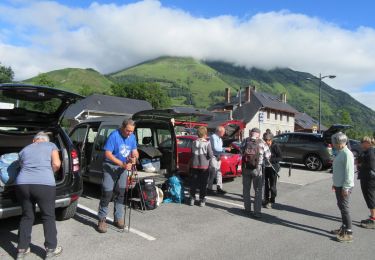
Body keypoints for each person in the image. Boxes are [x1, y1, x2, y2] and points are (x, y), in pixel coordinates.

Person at [15, 132, 62, 259]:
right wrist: (48, 172)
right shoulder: (50, 145)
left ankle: (21, 249)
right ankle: (51, 249)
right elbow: (57, 164)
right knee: (48, 216)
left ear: (34, 140)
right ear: (45, 140)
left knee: (27, 216)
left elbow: (21, 166)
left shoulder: (25, 149)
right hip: (44, 184)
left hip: (22, 184)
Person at [97, 119, 138, 233]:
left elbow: (135, 151)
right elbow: (107, 154)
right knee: (107, 192)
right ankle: (102, 219)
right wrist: (122, 164)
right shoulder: (114, 135)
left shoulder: (132, 137)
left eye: (131, 131)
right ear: (122, 127)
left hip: (123, 168)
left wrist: (134, 157)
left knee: (121, 192)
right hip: (110, 166)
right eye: (127, 130)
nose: (129, 133)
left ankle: (118, 218)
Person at [241, 128, 271, 218]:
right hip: (257, 169)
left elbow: (240, 151)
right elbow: (268, 155)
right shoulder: (262, 142)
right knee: (258, 190)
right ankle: (257, 212)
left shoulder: (245, 140)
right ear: (258, 134)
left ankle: (247, 209)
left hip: (246, 168)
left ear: (251, 133)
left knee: (246, 189)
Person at [330, 132, 355, 242]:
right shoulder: (341, 152)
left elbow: (349, 172)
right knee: (341, 206)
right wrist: (335, 183)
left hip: (344, 186)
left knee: (344, 208)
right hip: (339, 185)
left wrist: (346, 188)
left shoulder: (347, 154)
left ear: (340, 143)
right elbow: (339, 170)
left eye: (334, 143)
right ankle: (344, 227)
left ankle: (348, 232)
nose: (333, 145)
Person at [189, 126, 214, 207]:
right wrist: (206, 158)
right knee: (203, 184)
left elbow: (192, 154)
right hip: (204, 166)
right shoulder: (207, 143)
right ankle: (202, 200)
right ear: (205, 134)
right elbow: (210, 155)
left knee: (193, 183)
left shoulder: (193, 143)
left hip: (194, 165)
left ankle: (192, 199)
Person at [357, 136, 375, 229]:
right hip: (369, 178)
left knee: (370, 197)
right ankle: (373, 217)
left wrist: (360, 164)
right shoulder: (369, 151)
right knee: (371, 197)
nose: (360, 144)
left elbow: (371, 165)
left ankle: (373, 219)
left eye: (362, 142)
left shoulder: (370, 152)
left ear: (367, 143)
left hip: (369, 179)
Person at [207, 126, 230, 195]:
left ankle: (219, 187)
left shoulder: (220, 138)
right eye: (223, 132)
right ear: (219, 131)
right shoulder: (213, 137)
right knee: (212, 173)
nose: (224, 133)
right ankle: (209, 188)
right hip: (213, 157)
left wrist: (223, 150)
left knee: (219, 173)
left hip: (218, 157)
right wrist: (225, 149)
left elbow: (219, 148)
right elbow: (216, 148)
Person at [263, 133, 282, 209]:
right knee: (265, 185)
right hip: (265, 167)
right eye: (264, 140)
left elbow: (280, 157)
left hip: (273, 167)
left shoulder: (275, 146)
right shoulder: (264, 146)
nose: (265, 142)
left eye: (266, 140)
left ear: (270, 140)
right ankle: (266, 199)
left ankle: (272, 200)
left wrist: (271, 160)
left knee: (272, 186)